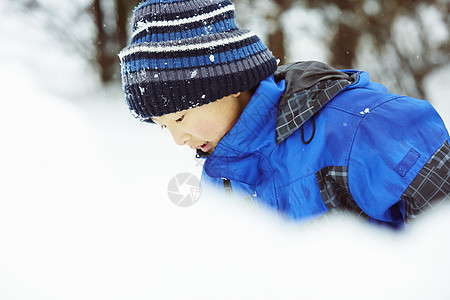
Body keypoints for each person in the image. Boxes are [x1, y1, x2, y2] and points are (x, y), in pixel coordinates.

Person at [119, 0, 450, 228]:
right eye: (163, 127)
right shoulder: (219, 175)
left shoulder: (362, 128)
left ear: (230, 83)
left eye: (180, 118)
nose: (179, 140)